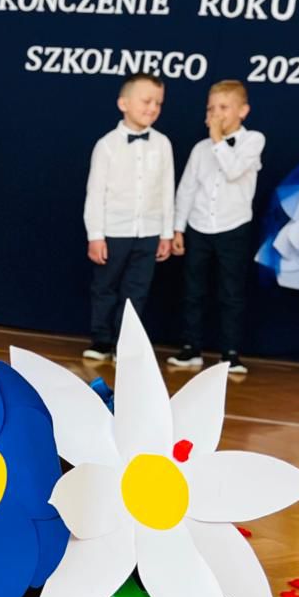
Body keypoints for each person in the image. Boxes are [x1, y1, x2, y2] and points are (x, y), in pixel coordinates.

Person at [167, 80, 264, 374]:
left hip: (233, 227)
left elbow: (234, 171)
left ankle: (230, 353)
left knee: (230, 292)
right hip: (199, 226)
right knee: (193, 290)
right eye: (211, 109)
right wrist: (178, 227)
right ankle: (190, 348)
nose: (216, 114)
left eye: (223, 107)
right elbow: (187, 188)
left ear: (243, 111)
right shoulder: (200, 149)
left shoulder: (253, 140)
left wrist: (217, 139)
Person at [84, 72, 174, 360]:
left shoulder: (162, 144)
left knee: (137, 291)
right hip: (114, 230)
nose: (153, 108)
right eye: (146, 101)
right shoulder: (107, 145)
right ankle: (101, 340)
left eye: (158, 103)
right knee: (105, 287)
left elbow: (167, 189)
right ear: (124, 103)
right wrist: (95, 235)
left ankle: (125, 344)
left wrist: (166, 233)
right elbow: (95, 193)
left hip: (149, 231)